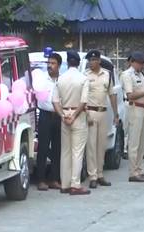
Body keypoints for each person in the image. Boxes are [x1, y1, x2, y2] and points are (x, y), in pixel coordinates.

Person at [53, 50, 90, 195]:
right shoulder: (83, 78)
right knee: (77, 152)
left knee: (66, 152)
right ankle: (75, 184)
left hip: (65, 115)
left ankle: (65, 184)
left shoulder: (60, 79)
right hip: (78, 115)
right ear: (78, 62)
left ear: (67, 63)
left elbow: (55, 101)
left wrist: (63, 115)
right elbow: (84, 101)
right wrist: (74, 115)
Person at [84, 50, 119, 189]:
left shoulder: (107, 75)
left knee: (101, 146)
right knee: (91, 146)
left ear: (98, 61)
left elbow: (112, 95)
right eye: (89, 61)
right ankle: (92, 176)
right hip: (91, 112)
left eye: (93, 60)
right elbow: (83, 97)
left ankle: (100, 174)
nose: (91, 63)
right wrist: (86, 114)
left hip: (103, 112)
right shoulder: (85, 76)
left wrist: (116, 114)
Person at [120, 51, 144, 182]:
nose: (142, 66)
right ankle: (133, 173)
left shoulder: (140, 74)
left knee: (141, 143)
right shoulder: (127, 75)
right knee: (134, 143)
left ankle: (139, 170)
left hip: (143, 110)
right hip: (134, 109)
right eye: (141, 63)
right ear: (133, 62)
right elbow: (130, 95)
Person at [36, 52, 62, 191]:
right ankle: (41, 179)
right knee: (43, 148)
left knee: (57, 148)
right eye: (48, 63)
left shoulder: (62, 80)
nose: (50, 66)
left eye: (53, 63)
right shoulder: (42, 79)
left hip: (58, 116)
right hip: (45, 115)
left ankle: (54, 178)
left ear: (59, 65)